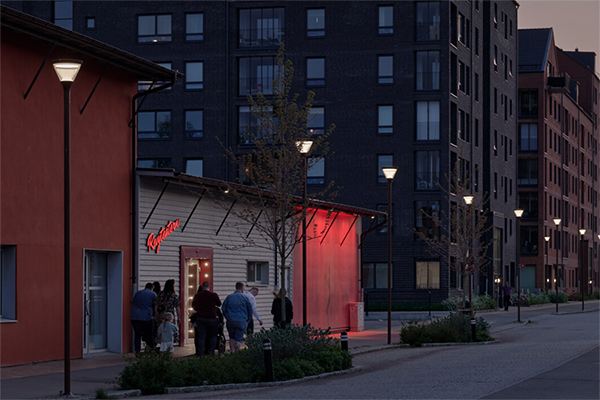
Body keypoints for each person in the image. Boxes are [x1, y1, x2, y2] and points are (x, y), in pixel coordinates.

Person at [191, 281, 221, 356]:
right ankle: (211, 352)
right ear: (209, 286)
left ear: (202, 286)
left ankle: (201, 353)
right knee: (213, 336)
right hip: (212, 318)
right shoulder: (214, 295)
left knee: (201, 337)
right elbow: (219, 304)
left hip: (201, 318)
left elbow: (194, 306)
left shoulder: (198, 295)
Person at [221, 282, 252, 353]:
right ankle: (237, 353)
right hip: (241, 320)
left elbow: (223, 308)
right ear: (242, 288)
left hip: (231, 320)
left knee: (231, 337)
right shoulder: (245, 298)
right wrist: (248, 319)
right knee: (238, 338)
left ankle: (232, 351)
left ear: (236, 287)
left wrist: (227, 317)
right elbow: (250, 310)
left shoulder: (229, 297)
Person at [131, 282, 156, 353]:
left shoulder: (138, 293)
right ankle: (150, 350)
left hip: (135, 316)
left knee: (137, 335)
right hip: (147, 317)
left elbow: (134, 302)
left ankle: (137, 351)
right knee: (149, 334)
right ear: (152, 288)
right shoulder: (153, 294)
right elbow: (155, 305)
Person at [154, 279, 181, 345]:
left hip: (162, 315)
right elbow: (177, 307)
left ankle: (161, 343)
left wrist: (156, 314)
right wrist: (179, 317)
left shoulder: (161, 294)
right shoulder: (173, 295)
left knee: (161, 330)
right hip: (170, 315)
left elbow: (156, 305)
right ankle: (170, 344)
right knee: (170, 330)